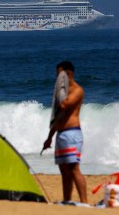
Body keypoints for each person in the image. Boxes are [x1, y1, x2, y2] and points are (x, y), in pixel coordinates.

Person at [42, 61, 88, 203]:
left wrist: (60, 91)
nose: (57, 78)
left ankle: (84, 202)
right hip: (61, 134)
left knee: (74, 168)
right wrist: (49, 138)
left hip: (72, 134)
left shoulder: (77, 91)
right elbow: (58, 117)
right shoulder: (64, 91)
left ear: (69, 74)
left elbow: (64, 105)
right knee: (64, 171)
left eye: (60, 75)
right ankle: (67, 200)